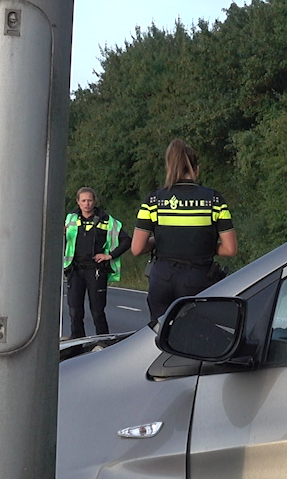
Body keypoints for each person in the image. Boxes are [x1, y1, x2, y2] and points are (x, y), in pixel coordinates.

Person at [133, 139, 237, 323]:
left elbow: (137, 248)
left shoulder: (153, 200)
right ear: (196, 169)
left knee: (160, 337)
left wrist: (163, 240)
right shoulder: (214, 200)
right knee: (195, 337)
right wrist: (200, 243)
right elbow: (230, 249)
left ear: (169, 167)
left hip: (162, 278)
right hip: (197, 278)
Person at [63, 187, 128, 338]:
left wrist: (109, 256)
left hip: (96, 271)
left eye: (89, 200)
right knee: (74, 310)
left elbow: (126, 241)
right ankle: (77, 343)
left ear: (94, 201)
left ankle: (103, 343)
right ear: (78, 202)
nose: (87, 204)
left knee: (97, 311)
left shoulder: (107, 220)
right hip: (75, 270)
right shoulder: (70, 220)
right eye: (83, 201)